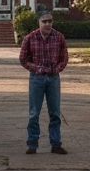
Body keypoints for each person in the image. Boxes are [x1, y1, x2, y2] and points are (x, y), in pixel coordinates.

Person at [19, 9, 68, 154]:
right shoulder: (30, 38)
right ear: (39, 22)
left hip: (53, 78)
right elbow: (23, 59)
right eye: (44, 21)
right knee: (34, 112)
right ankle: (32, 144)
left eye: (50, 21)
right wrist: (36, 68)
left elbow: (64, 58)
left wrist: (58, 68)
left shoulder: (59, 37)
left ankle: (56, 144)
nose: (47, 24)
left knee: (55, 112)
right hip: (37, 79)